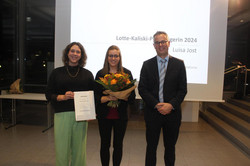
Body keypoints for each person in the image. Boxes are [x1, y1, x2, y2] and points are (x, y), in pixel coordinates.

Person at [138, 31, 187, 166]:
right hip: (153, 113)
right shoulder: (147, 65)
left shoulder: (179, 64)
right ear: (154, 45)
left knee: (170, 148)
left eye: (163, 41)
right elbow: (142, 88)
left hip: (172, 114)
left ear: (169, 43)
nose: (161, 45)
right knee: (151, 148)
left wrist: (170, 105)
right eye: (157, 42)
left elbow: (182, 90)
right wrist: (157, 105)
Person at [45, 42, 94, 166]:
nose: (75, 54)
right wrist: (62, 97)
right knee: (62, 148)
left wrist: (90, 113)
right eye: (72, 51)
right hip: (62, 114)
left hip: (82, 116)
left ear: (81, 55)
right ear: (67, 53)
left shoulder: (88, 74)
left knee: (79, 150)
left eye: (78, 52)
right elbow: (48, 94)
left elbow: (92, 95)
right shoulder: (56, 73)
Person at [94, 45, 135, 166]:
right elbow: (95, 97)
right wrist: (108, 98)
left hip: (121, 116)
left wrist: (122, 96)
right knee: (104, 144)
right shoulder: (100, 74)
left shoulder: (126, 74)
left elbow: (132, 97)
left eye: (116, 56)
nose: (113, 58)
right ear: (107, 57)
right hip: (104, 116)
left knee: (118, 145)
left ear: (119, 57)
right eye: (111, 55)